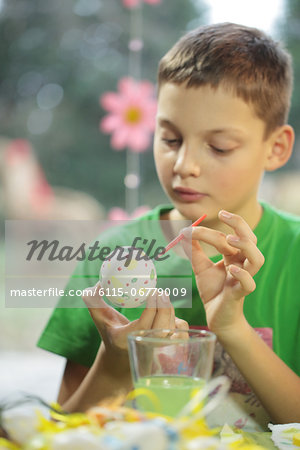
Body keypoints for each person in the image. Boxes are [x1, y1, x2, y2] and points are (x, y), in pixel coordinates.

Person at [37, 23, 300, 426]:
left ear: (276, 147)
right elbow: (58, 432)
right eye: (171, 139)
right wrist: (114, 364)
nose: (184, 166)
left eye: (219, 147)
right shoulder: (108, 256)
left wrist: (234, 329)